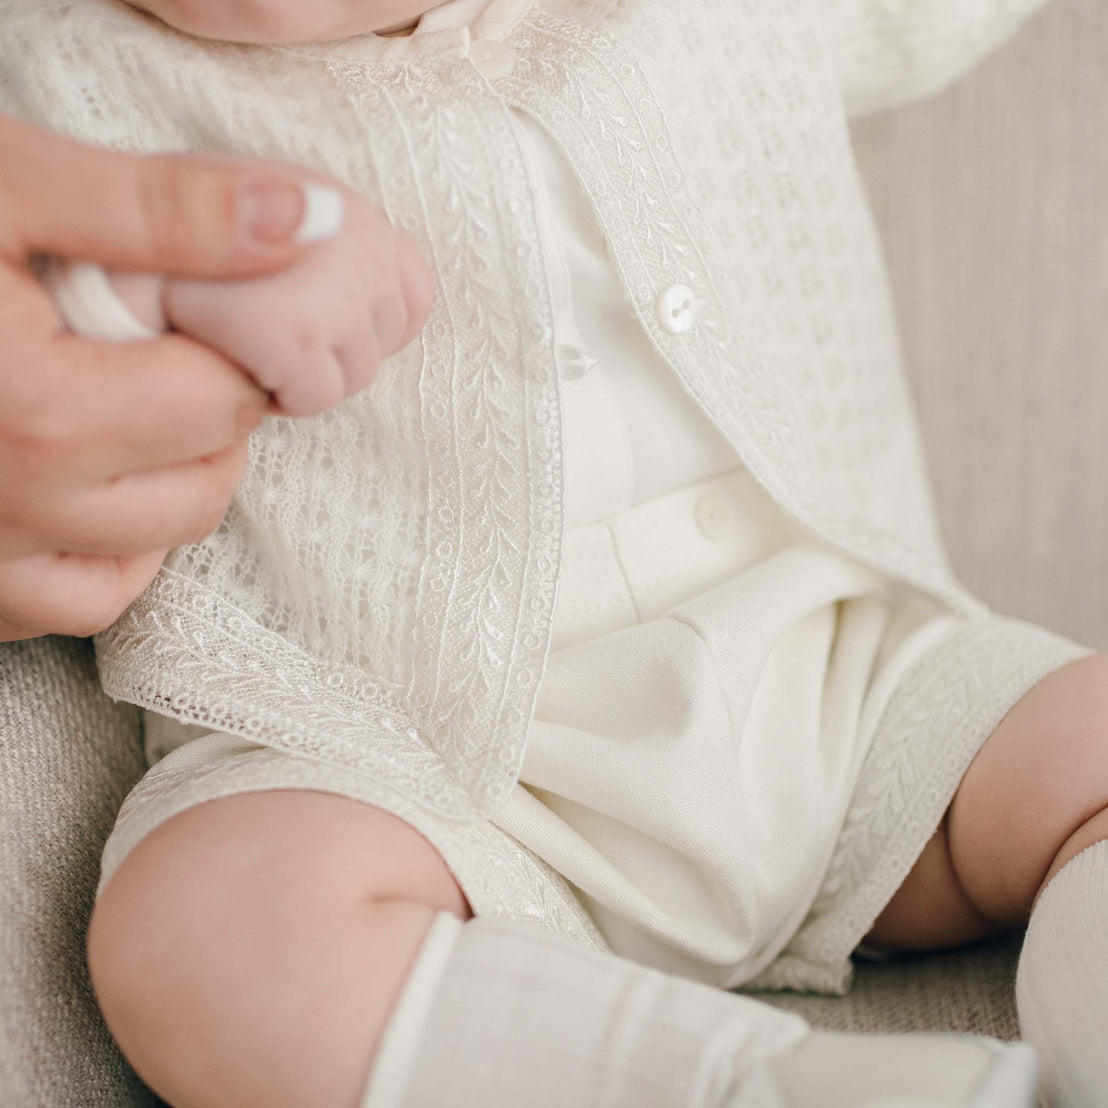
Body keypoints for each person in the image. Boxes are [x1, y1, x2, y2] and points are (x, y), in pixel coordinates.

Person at [2, 0, 1103, 1105]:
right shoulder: (61, 62)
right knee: (206, 936)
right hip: (393, 772)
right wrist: (155, 283)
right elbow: (54, 328)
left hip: (849, 687)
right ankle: (762, 1086)